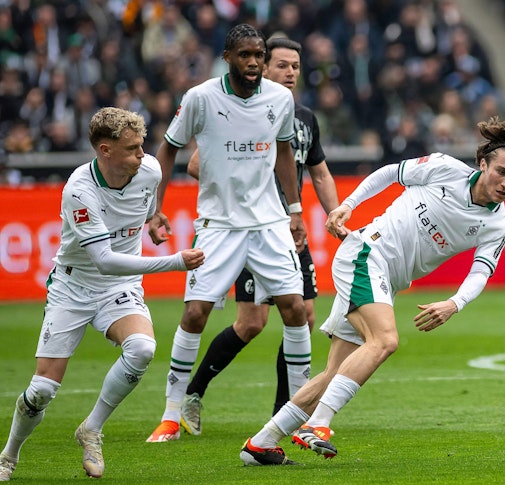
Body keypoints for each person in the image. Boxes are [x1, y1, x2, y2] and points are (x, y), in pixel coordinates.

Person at [238, 115, 505, 466]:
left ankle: (260, 444)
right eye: (501, 171)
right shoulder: (443, 168)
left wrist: (454, 304)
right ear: (483, 163)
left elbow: (481, 271)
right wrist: (348, 204)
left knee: (334, 374)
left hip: (387, 280)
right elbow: (388, 174)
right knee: (384, 340)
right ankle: (318, 424)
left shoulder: (497, 224)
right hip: (367, 253)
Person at [0, 107, 205, 481]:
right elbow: (105, 260)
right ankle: (9, 455)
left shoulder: (150, 170)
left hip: (119, 287)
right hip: (74, 286)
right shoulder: (79, 191)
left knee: (142, 348)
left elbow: (144, 209)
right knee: (42, 390)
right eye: (132, 149)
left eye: (142, 146)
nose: (142, 155)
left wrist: (154, 220)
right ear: (105, 150)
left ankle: (91, 429)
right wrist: (175, 262)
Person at [145, 24, 309, 443]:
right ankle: (170, 413)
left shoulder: (280, 99)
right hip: (218, 226)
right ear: (228, 57)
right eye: (245, 55)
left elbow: (286, 151)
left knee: (295, 308)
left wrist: (294, 209)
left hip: (269, 224)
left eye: (258, 54)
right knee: (195, 312)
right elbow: (169, 147)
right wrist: (156, 208)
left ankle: (296, 415)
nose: (253, 62)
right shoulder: (201, 98)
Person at [180, 36, 340, 436]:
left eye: (296, 66)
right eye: (282, 65)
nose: (290, 72)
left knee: (303, 315)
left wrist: (333, 213)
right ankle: (193, 393)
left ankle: (285, 412)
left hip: (289, 230)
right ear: (263, 68)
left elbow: (318, 170)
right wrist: (248, 184)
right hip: (250, 226)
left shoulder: (302, 117)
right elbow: (197, 164)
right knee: (251, 323)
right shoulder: (240, 109)